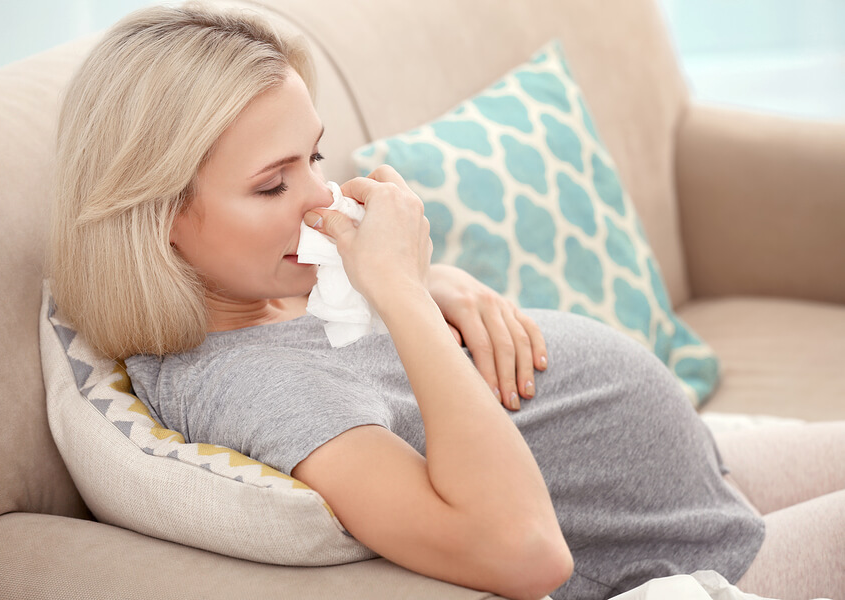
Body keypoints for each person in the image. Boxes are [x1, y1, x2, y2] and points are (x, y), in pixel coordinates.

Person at [50, 5, 845, 600]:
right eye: (272, 182)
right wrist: (401, 291)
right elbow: (525, 552)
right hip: (691, 556)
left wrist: (435, 285)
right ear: (162, 218)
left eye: (315, 157)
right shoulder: (253, 386)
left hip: (692, 477)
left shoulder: (266, 286)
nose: (322, 196)